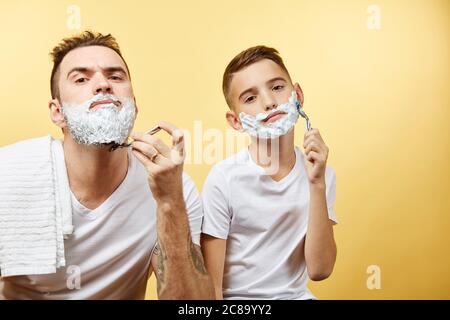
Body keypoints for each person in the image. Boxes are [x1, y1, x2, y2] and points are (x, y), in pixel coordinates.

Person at [0, 31, 214, 300]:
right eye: (81, 79)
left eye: (115, 76)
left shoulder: (173, 188)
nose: (102, 84)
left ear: (134, 107)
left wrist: (170, 202)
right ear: (57, 112)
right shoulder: (8, 174)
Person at [201, 46, 338, 300]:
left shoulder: (321, 174)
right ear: (236, 121)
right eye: (250, 98)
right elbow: (211, 288)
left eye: (276, 87)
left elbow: (320, 270)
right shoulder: (224, 179)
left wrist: (316, 183)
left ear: (297, 95)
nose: (269, 102)